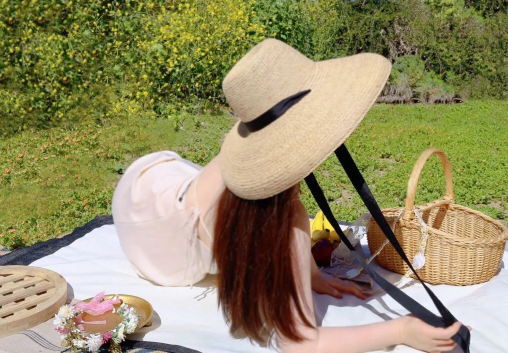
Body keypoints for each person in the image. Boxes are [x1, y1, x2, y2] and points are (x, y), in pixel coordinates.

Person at [112, 39, 466, 353]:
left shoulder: (248, 179)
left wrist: (311, 275)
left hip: (153, 178)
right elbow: (302, 345)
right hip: (153, 244)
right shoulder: (286, 221)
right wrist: (401, 331)